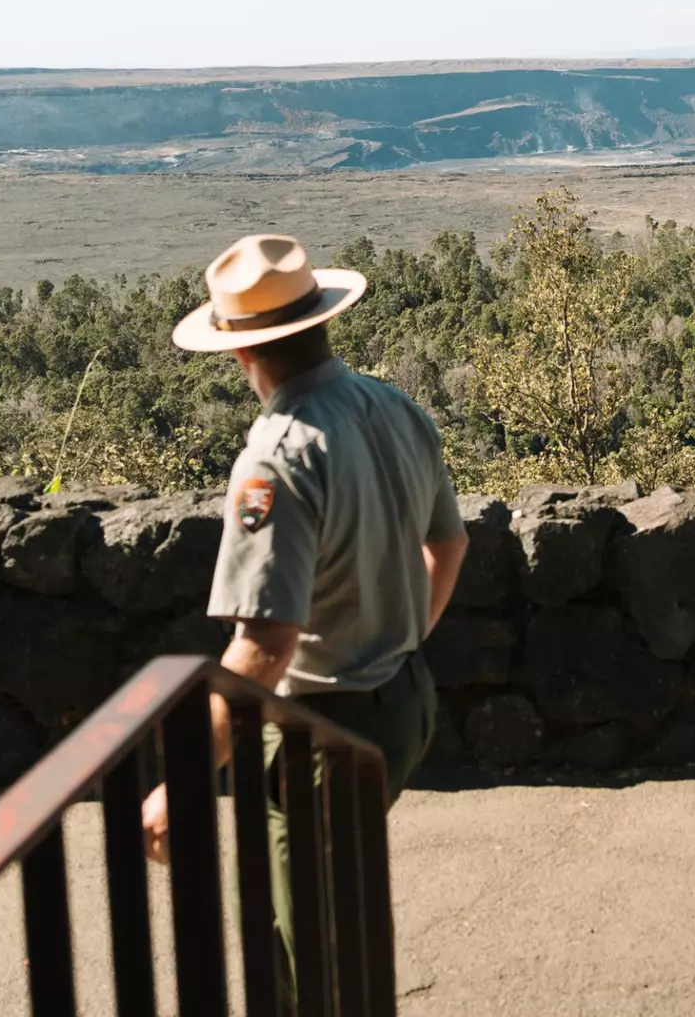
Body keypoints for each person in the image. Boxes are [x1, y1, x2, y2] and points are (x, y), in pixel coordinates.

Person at [141, 233, 467, 989]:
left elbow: (264, 644)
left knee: (297, 958)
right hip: (402, 703)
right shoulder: (395, 406)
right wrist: (398, 640)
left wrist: (184, 781)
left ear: (238, 353)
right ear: (320, 318)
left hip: (319, 733)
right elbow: (447, 545)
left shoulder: (275, 459)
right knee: (341, 922)